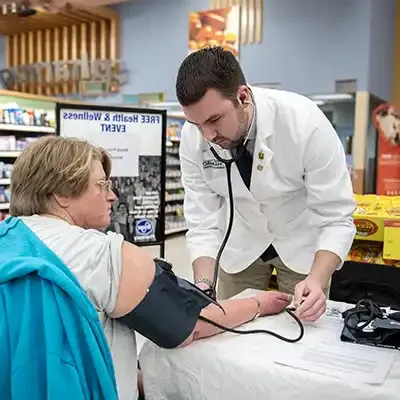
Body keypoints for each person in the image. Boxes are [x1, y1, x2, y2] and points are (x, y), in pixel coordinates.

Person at [3, 135, 292, 400]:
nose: (113, 196)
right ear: (61, 194)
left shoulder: (8, 239)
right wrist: (259, 302)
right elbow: (191, 325)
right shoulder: (102, 254)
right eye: (102, 184)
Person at [176, 46, 356, 323]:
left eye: (214, 120)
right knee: (229, 330)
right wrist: (202, 285)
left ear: (243, 96)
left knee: (304, 327)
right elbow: (203, 221)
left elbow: (337, 217)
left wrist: (318, 279)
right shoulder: (194, 138)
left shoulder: (305, 123)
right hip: (240, 245)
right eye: (196, 123)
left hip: (300, 244)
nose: (207, 135)